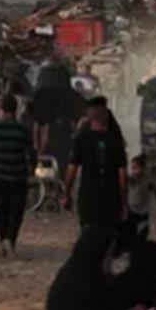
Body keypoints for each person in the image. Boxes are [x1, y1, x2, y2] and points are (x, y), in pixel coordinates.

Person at [63, 97, 128, 229]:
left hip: (88, 201)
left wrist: (66, 194)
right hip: (111, 201)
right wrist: (124, 201)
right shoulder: (115, 141)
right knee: (109, 240)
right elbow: (123, 176)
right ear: (105, 114)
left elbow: (71, 171)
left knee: (89, 240)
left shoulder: (81, 140)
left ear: (88, 116)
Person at [0, 94, 34, 257]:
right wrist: (32, 170)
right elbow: (30, 153)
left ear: (2, 108)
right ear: (15, 109)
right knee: (17, 212)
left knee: (2, 212)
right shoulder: (23, 130)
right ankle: (10, 241)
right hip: (18, 177)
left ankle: (4, 243)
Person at [127, 154, 156, 239]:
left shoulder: (148, 180)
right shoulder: (132, 180)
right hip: (132, 209)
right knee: (132, 233)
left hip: (144, 211)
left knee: (143, 233)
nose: (133, 171)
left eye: (135, 168)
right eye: (132, 168)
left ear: (143, 168)